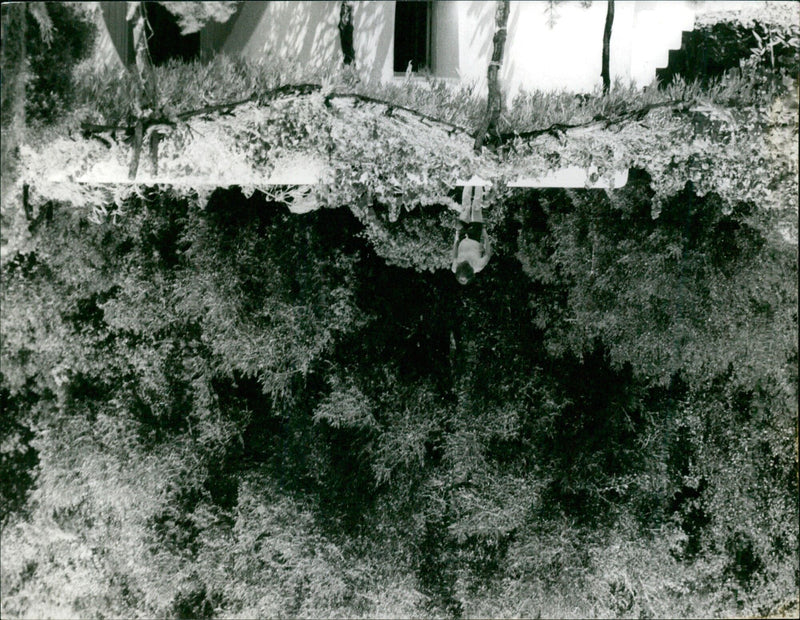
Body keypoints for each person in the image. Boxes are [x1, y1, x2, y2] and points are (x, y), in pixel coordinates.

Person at [451, 184, 492, 284]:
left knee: (465, 206)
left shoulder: (455, 268)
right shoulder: (478, 266)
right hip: (475, 236)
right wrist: (485, 235)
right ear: (470, 268)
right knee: (476, 207)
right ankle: (479, 184)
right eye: (466, 263)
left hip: (462, 236)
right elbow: (488, 253)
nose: (463, 261)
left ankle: (468, 183)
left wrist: (456, 236)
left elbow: (454, 253)